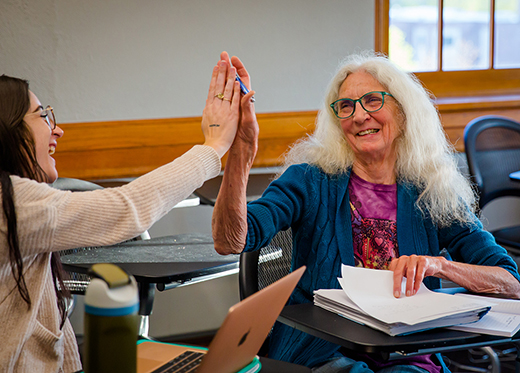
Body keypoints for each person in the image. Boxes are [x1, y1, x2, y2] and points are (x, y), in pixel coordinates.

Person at [212, 51, 520, 373]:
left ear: (402, 113)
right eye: (346, 107)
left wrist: (440, 266)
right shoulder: (310, 181)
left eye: (373, 100)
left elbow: (510, 283)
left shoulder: (431, 192)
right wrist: (240, 154)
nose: (359, 116)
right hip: (323, 352)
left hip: (407, 355)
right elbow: (231, 239)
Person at [0, 51, 254, 372]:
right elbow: (127, 209)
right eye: (43, 116)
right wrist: (213, 145)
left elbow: (57, 346)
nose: (57, 131)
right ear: (2, 132)